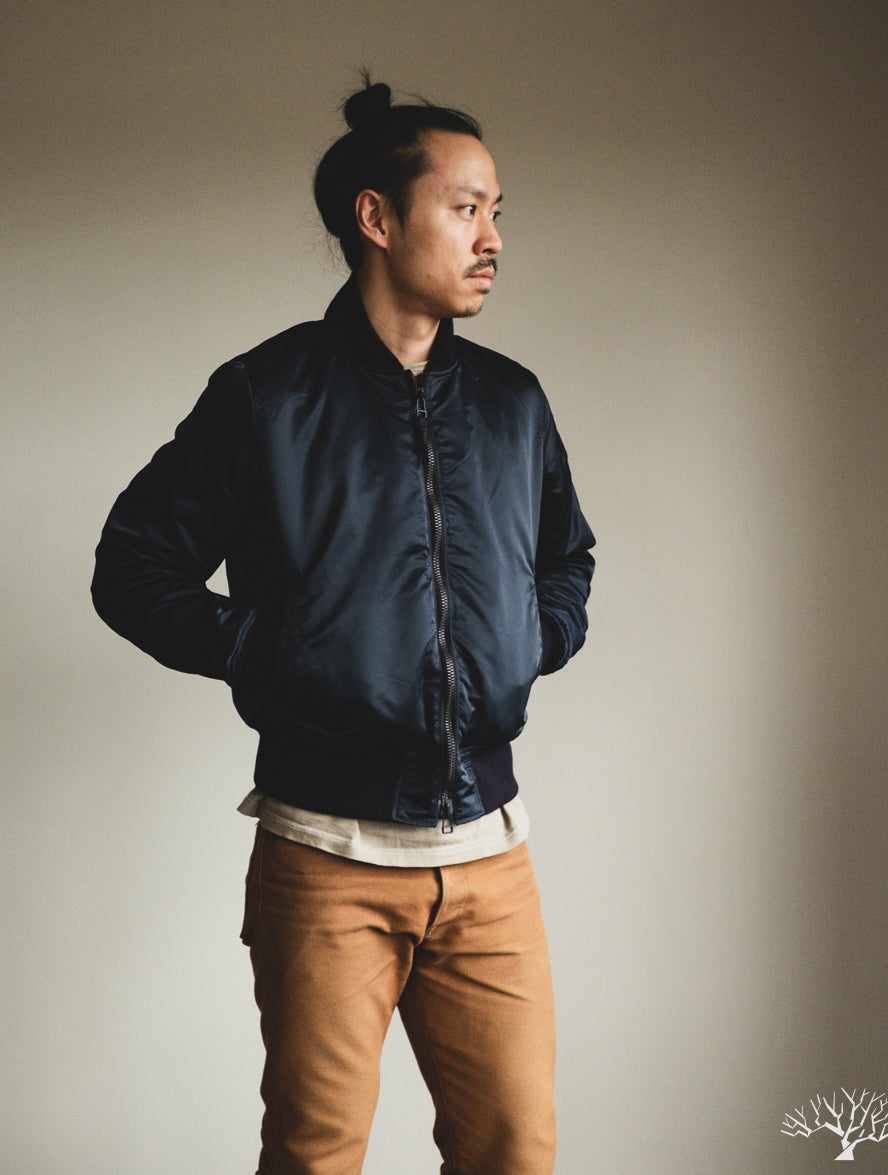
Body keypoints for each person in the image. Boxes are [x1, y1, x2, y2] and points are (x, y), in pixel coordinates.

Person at [92, 77, 595, 1175]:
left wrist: (532, 633)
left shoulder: (512, 402)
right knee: (316, 1155)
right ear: (377, 217)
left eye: (497, 211)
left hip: (490, 858)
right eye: (466, 208)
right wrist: (273, 653)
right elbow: (132, 566)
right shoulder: (265, 397)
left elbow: (568, 557)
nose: (493, 238)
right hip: (327, 861)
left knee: (516, 1149)